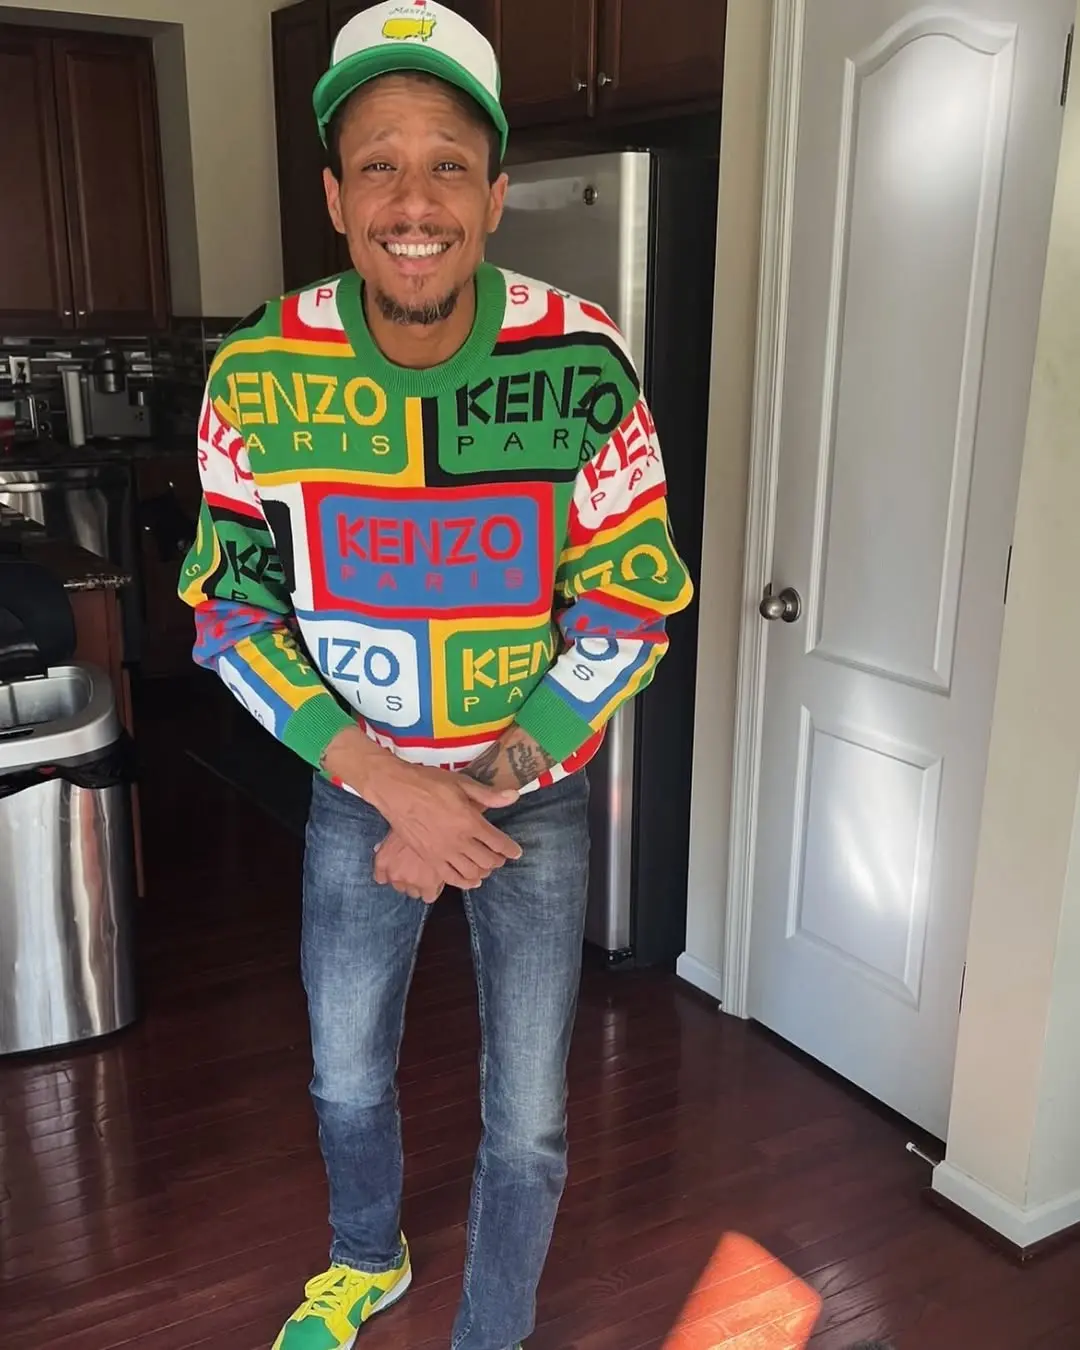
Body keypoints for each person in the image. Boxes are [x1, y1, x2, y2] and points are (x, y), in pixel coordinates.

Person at [178, 3, 691, 1347]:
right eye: (381, 165)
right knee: (345, 1068)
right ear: (336, 197)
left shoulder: (582, 359)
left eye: (449, 164)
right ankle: (368, 1257)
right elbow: (231, 612)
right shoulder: (257, 372)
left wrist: (467, 791)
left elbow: (633, 604)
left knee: (529, 1107)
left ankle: (493, 1329)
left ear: (496, 194)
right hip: (358, 788)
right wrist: (394, 790)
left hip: (535, 793)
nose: (415, 202)